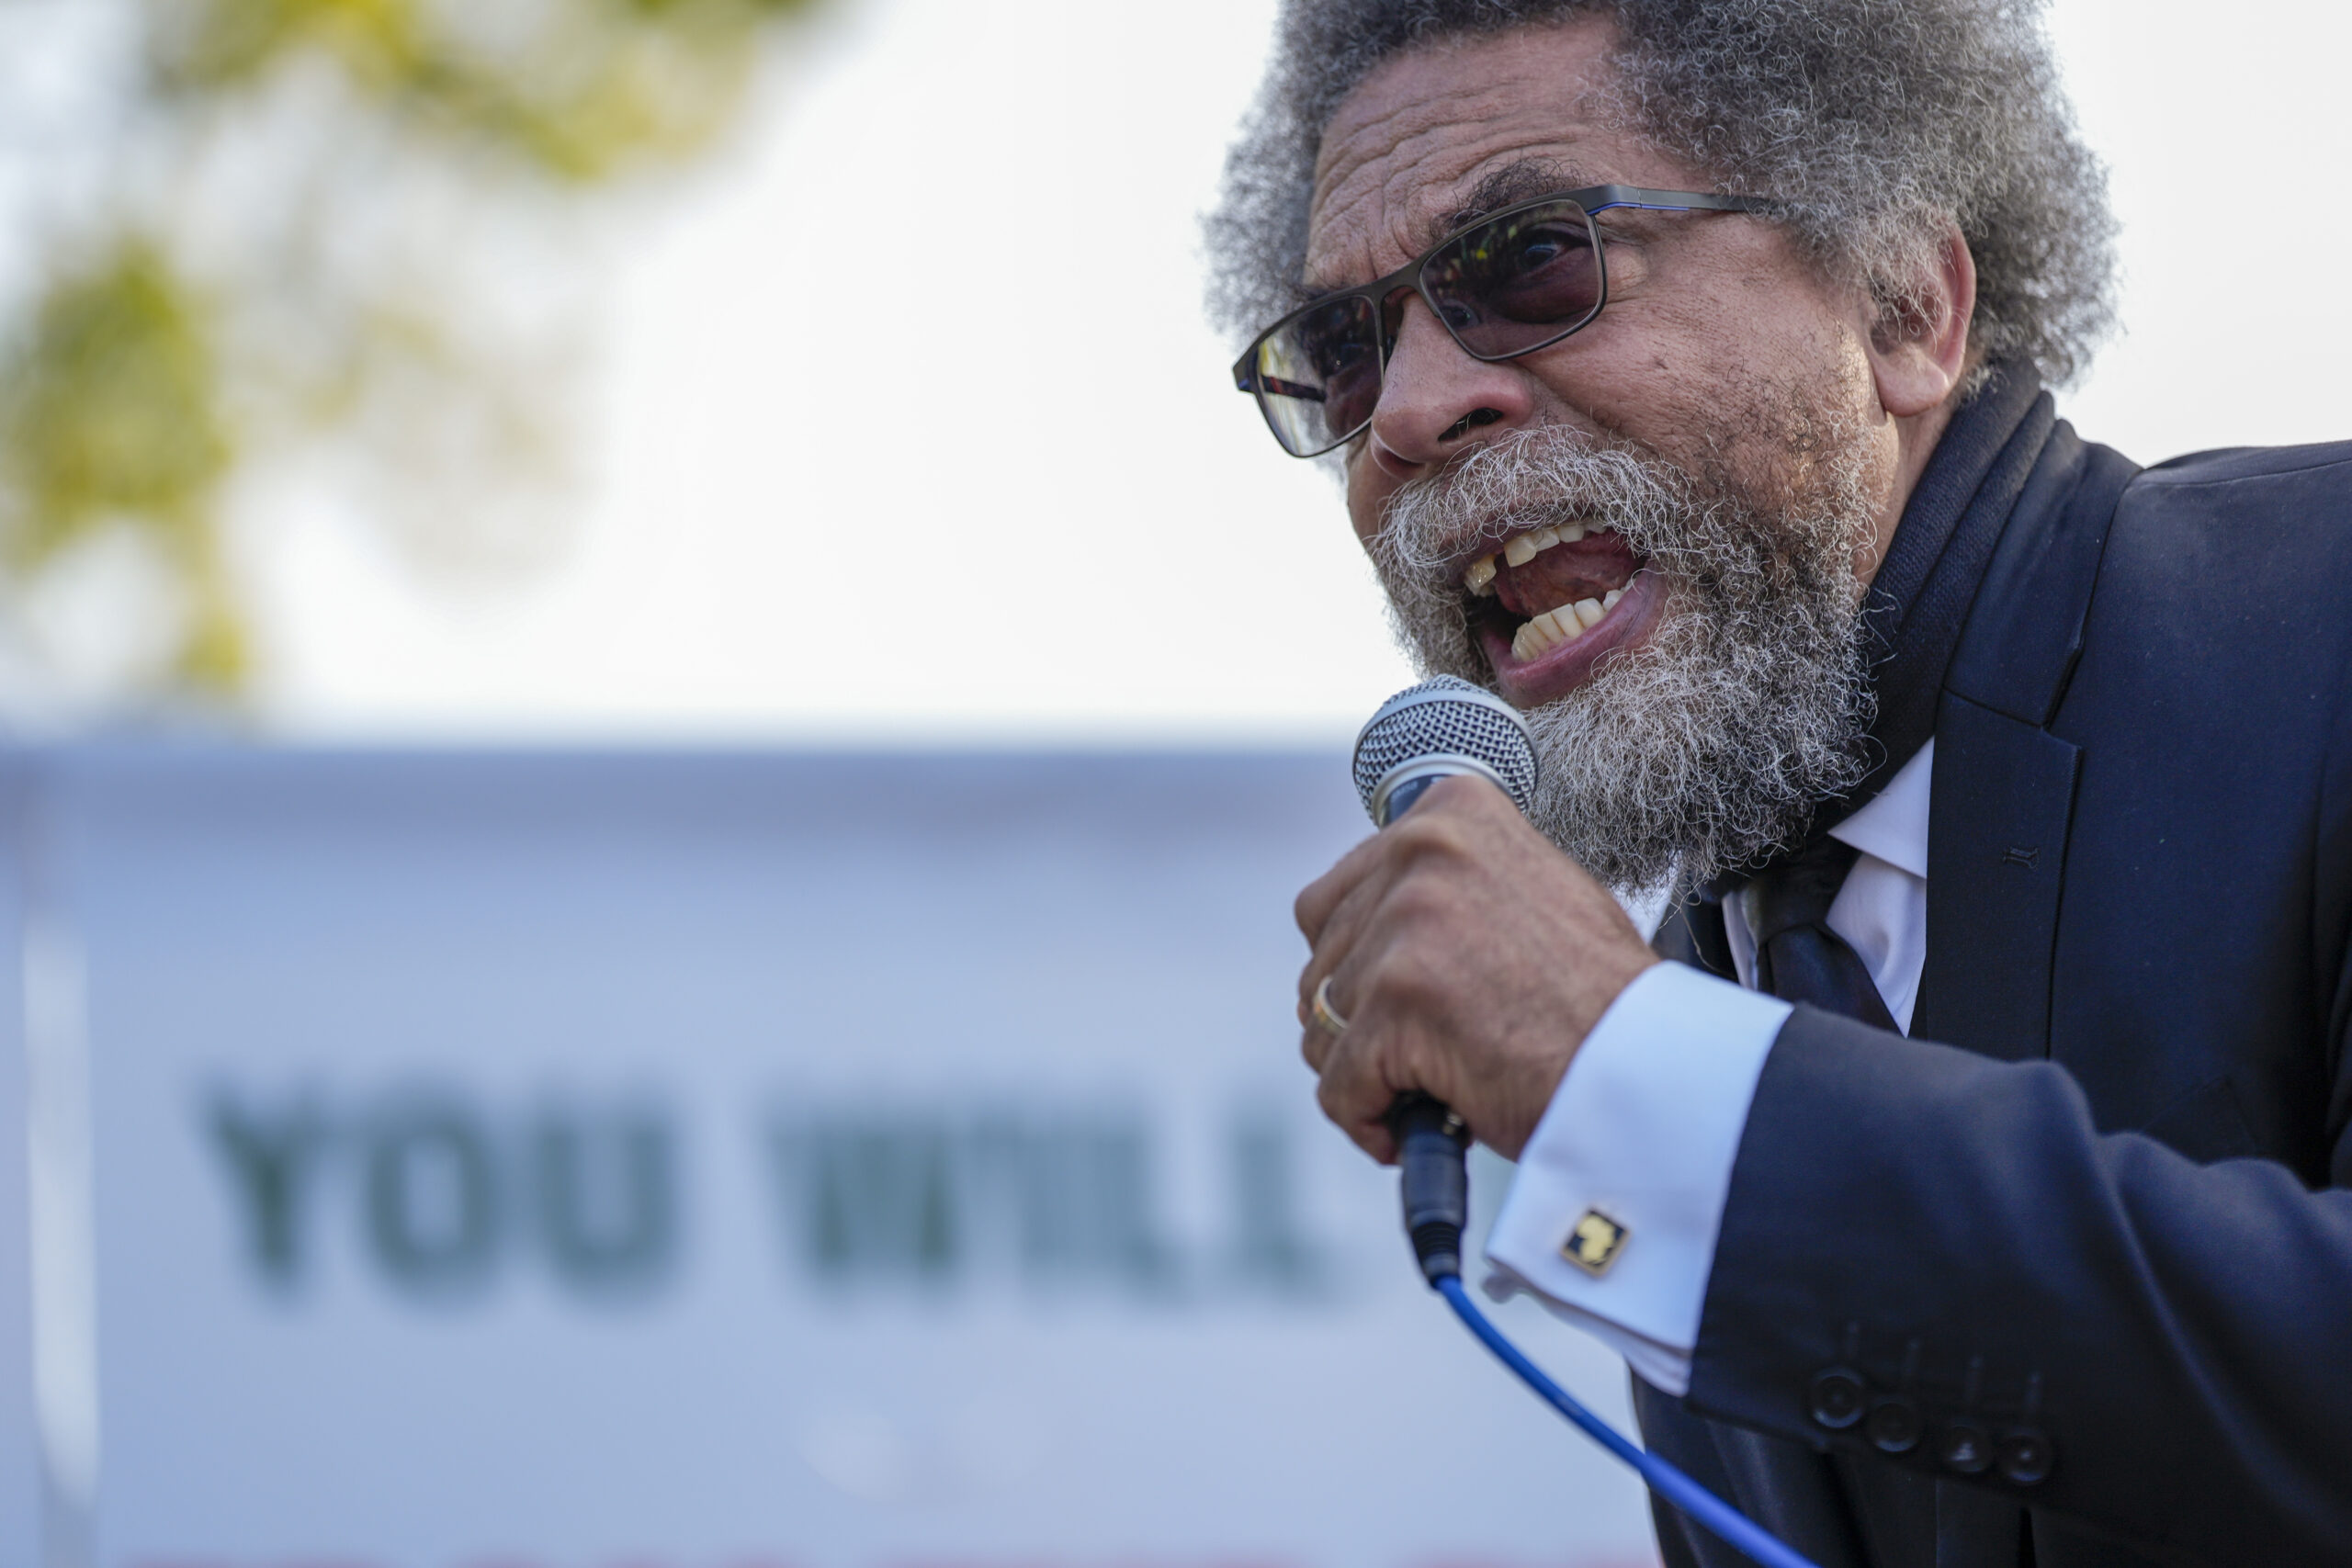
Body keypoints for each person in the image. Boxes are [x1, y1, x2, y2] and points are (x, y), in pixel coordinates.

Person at [1205, 3, 2352, 1565]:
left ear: (1904, 304)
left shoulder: (2328, 617)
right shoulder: (1711, 969)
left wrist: (1634, 1087)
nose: (1406, 415)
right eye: (1343, 355)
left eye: (1532, 262)